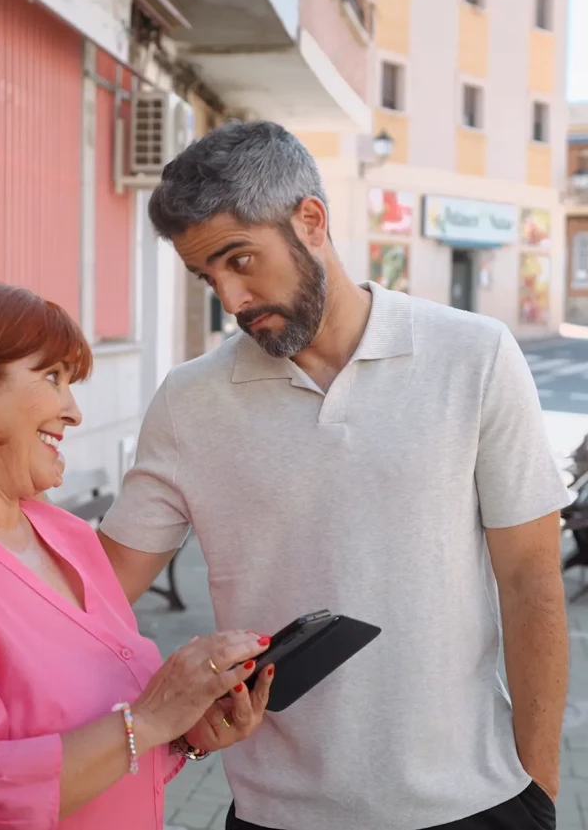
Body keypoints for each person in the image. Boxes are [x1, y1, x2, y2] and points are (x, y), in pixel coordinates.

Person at [98, 121, 570, 830]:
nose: (230, 297)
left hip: (476, 803)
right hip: (278, 814)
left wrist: (541, 791)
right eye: (208, 275)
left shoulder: (473, 356)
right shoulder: (189, 401)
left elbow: (532, 581)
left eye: (240, 259)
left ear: (311, 220)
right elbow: (96, 596)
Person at [0, 278, 275, 830]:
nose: (73, 410)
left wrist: (185, 732)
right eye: (52, 377)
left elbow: (109, 740)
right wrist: (149, 720)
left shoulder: (65, 536)